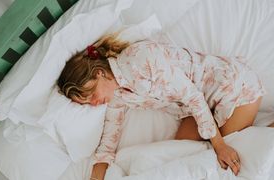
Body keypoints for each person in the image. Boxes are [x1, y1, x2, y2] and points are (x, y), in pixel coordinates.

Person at [57, 34, 267, 180]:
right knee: (178, 157)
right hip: (196, 108)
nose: (94, 103)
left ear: (99, 73)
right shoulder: (118, 97)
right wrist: (96, 177)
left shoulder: (140, 58)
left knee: (232, 158)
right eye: (87, 103)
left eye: (92, 94)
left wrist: (220, 144)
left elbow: (192, 96)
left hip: (232, 88)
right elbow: (108, 143)